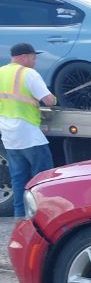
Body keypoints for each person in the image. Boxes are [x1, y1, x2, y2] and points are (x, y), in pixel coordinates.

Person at [0, 42, 57, 219]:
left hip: (9, 135)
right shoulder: (28, 73)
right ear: (24, 57)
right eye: (33, 58)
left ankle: (20, 217)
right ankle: (45, 217)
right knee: (44, 179)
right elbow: (48, 100)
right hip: (29, 134)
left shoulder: (1, 72)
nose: (35, 62)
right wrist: (55, 99)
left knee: (18, 179)